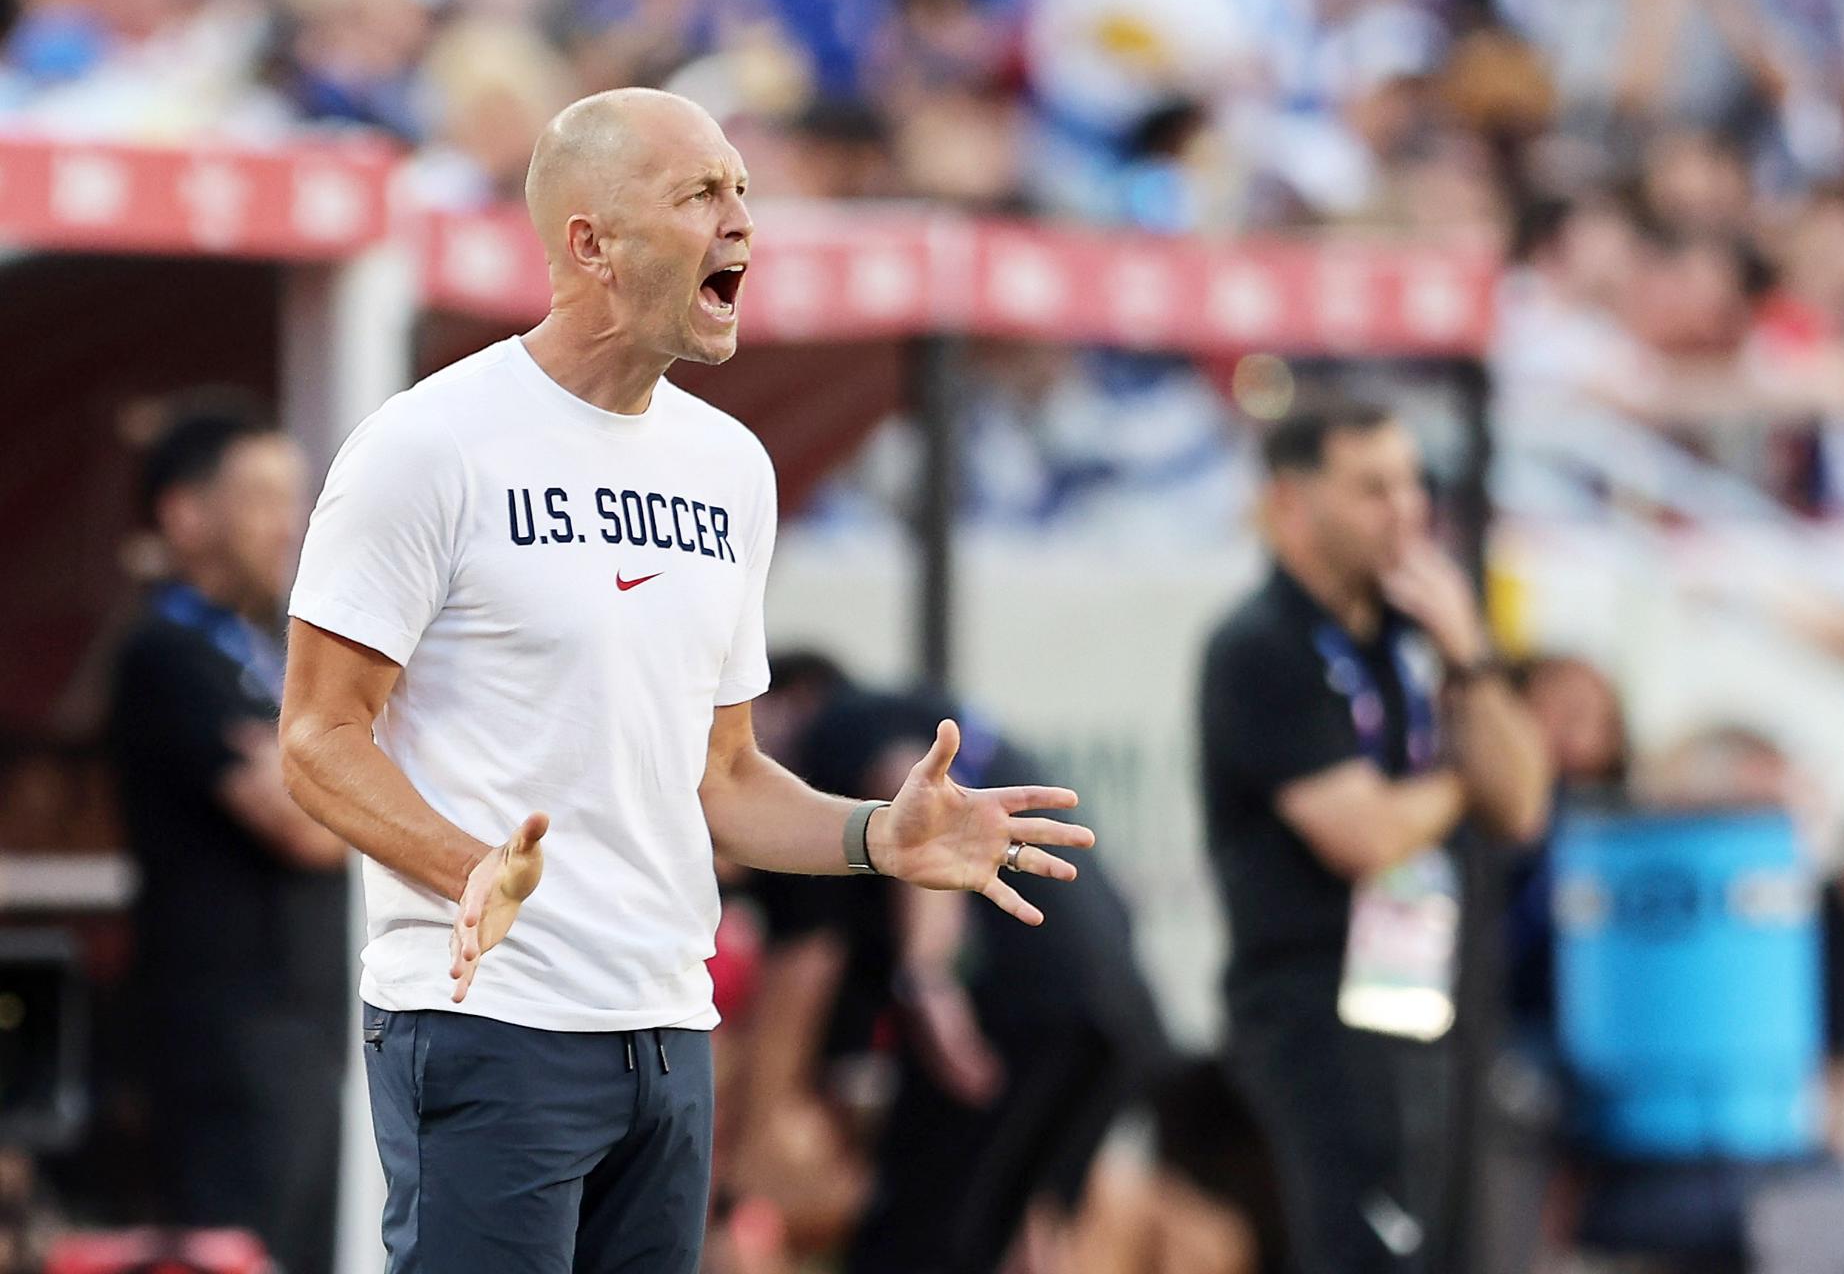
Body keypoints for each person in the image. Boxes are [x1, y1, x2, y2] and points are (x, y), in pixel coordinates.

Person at [276, 87, 1094, 1274]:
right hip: (488, 1024)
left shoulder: (731, 468)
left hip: (668, 1033)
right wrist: (470, 869)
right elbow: (316, 735)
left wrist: (877, 833)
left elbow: (723, 775)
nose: (742, 224)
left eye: (745, 192)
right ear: (589, 243)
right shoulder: (427, 445)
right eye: (701, 194)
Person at [1198, 397, 1551, 1274]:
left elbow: (1524, 803)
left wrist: (1469, 655)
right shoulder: (1260, 647)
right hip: (1318, 1013)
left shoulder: (1416, 638)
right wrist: (1465, 780)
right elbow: (1363, 835)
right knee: (1360, 1252)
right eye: (1372, 489)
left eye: (1411, 484)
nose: (1407, 511)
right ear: (1292, 503)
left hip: (1428, 999)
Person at [733, 651, 1164, 1274]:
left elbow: (902, 793)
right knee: (999, 1235)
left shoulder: (837, 725)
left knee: (912, 1242)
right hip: (1110, 1011)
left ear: (792, 695)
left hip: (1009, 1008)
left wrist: (928, 974)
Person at [106, 408, 350, 1274]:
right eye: (259, 498)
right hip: (224, 1043)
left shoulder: (270, 654)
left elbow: (344, 795)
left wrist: (324, 772)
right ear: (185, 515)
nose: (286, 522)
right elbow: (309, 832)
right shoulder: (166, 655)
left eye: (293, 498)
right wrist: (341, 778)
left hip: (306, 1033)